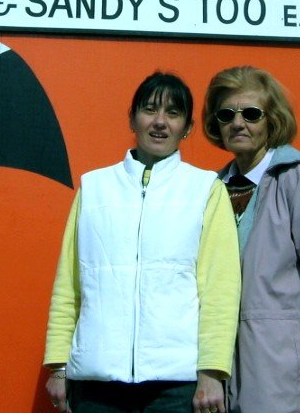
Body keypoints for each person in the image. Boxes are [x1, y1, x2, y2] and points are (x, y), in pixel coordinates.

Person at [44, 71, 241, 413]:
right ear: (132, 118)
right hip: (96, 385)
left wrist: (211, 372)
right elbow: (69, 285)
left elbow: (219, 290)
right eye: (150, 109)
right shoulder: (94, 188)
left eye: (173, 113)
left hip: (175, 387)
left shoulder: (205, 189)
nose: (160, 122)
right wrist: (59, 367)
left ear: (187, 127)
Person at [201, 66, 300, 413]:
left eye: (251, 113)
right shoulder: (211, 190)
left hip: (287, 381)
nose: (238, 123)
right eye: (226, 114)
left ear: (272, 120)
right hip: (220, 381)